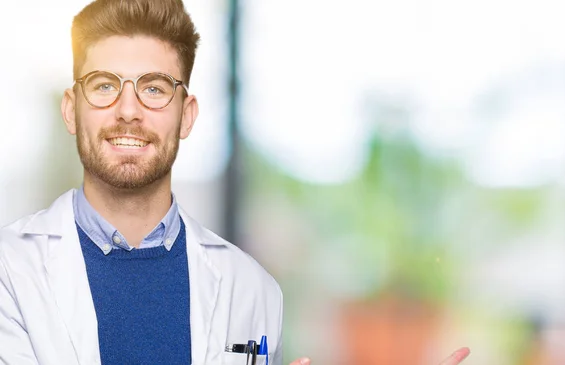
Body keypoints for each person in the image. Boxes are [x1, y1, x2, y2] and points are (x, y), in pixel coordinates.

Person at [0, 0, 471, 364]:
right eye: (104, 84)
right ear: (70, 109)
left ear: (186, 115)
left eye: (154, 88)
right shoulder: (10, 272)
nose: (128, 110)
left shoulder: (254, 290)